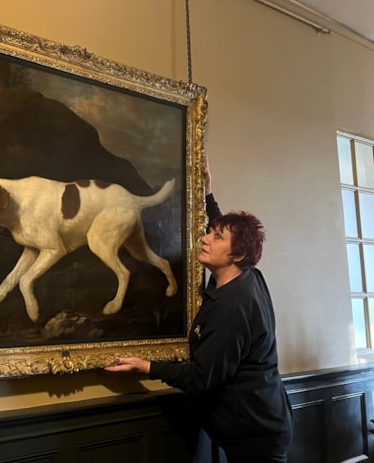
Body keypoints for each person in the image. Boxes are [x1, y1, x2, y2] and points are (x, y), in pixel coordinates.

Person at [105, 156, 293, 463]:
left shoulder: (233, 307)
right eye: (211, 232)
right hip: (261, 422)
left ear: (236, 254)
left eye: (215, 236)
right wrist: (207, 193)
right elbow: (227, 237)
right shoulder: (246, 273)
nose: (204, 238)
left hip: (255, 435)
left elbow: (200, 379)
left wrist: (146, 367)